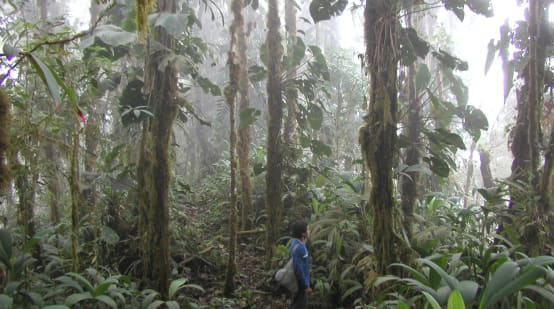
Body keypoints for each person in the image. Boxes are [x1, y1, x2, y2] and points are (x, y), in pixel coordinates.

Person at [289, 221, 312, 309]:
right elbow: (299, 269)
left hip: (295, 281)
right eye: (308, 229)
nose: (309, 231)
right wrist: (306, 286)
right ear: (303, 233)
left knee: (295, 303)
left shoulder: (294, 243)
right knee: (299, 305)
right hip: (300, 284)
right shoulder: (300, 248)